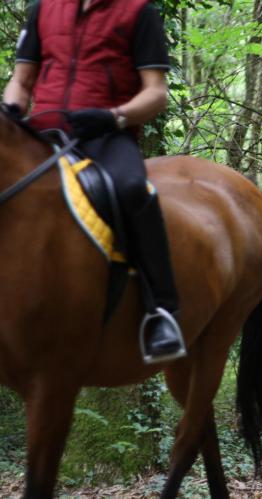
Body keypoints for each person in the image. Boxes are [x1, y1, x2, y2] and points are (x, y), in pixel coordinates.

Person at [3, 0, 186, 362]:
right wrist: (10, 112)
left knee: (133, 189)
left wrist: (112, 117)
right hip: (43, 132)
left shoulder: (139, 12)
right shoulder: (44, 8)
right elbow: (21, 81)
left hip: (106, 134)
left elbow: (156, 93)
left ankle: (161, 312)